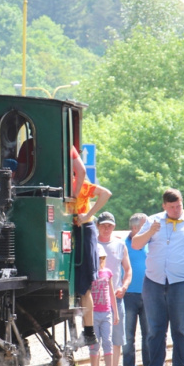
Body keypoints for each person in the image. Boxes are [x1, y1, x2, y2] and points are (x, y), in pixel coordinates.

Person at [131, 188, 184, 366]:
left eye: (179, 206)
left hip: (182, 282)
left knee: (180, 327)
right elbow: (136, 245)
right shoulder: (153, 220)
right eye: (172, 207)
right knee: (155, 328)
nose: (176, 210)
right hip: (154, 281)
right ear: (164, 206)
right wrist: (150, 231)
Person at [70, 146, 112, 346]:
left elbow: (106, 193)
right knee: (79, 285)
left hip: (85, 230)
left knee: (85, 285)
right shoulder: (68, 184)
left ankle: (88, 332)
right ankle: (84, 332)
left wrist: (87, 216)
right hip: (74, 230)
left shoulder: (81, 184)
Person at [97, 212, 131, 366]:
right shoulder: (93, 244)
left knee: (117, 336)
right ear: (97, 226)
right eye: (103, 224)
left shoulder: (119, 244)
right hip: (96, 298)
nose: (106, 228)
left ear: (114, 226)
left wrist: (124, 287)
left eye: (109, 225)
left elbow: (128, 270)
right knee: (97, 336)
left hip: (116, 297)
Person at [84, 248, 120, 366]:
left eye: (102, 259)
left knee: (107, 341)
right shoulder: (90, 275)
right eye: (97, 258)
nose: (100, 261)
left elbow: (111, 293)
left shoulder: (107, 273)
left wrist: (115, 312)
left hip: (106, 313)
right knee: (94, 344)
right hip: (93, 314)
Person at [122, 213, 149, 366]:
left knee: (149, 334)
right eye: (144, 227)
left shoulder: (150, 243)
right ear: (134, 228)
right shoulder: (123, 244)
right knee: (128, 335)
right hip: (129, 294)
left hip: (149, 294)